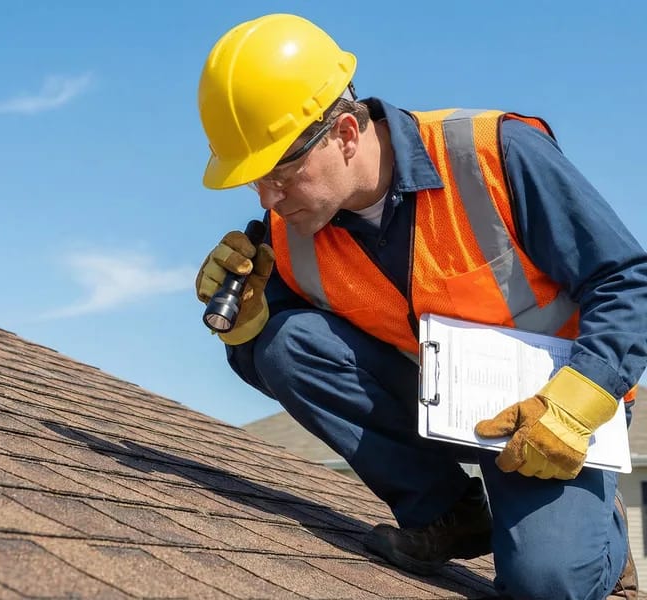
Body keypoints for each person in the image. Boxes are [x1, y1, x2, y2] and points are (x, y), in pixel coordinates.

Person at [194, 13, 646, 600]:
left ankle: (605, 547)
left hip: (549, 412)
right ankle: (449, 512)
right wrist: (247, 326)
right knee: (286, 341)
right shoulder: (290, 232)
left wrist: (578, 403)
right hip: (435, 401)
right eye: (254, 179)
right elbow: (286, 364)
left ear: (346, 133)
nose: (268, 197)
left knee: (547, 583)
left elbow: (626, 279)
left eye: (281, 171)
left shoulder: (493, 154)